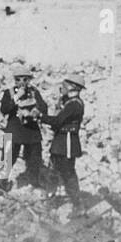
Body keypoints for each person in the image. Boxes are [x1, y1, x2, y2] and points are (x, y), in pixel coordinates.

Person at [0, 69, 49, 189]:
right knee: (8, 157)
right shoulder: (9, 93)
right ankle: (1, 181)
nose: (21, 82)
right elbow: (4, 109)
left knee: (34, 157)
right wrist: (16, 98)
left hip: (31, 129)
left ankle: (34, 181)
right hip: (15, 129)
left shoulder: (34, 92)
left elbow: (43, 107)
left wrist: (36, 111)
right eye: (18, 79)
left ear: (29, 80)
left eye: (25, 79)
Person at [47, 76, 86, 206]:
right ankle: (51, 197)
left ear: (72, 88)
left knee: (68, 173)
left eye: (63, 86)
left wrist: (40, 117)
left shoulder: (74, 104)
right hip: (60, 141)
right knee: (53, 168)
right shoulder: (68, 103)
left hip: (67, 142)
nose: (61, 89)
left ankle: (77, 203)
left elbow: (58, 121)